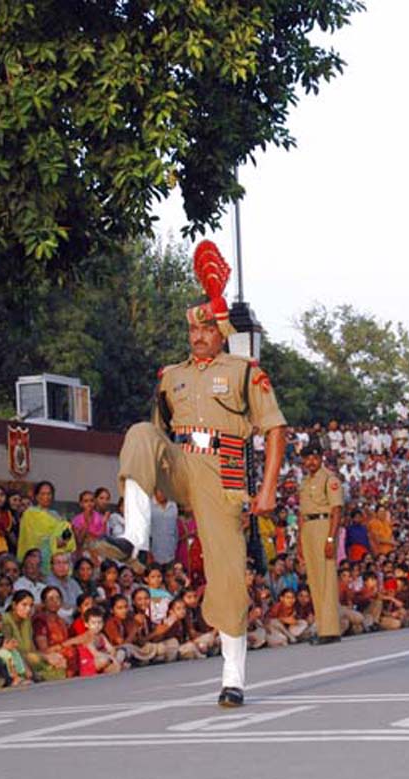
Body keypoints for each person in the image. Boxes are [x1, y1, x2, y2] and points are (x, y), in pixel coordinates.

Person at [117, 240, 286, 708]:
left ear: (222, 331)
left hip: (223, 474)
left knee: (227, 576)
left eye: (207, 328)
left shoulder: (245, 372)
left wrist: (268, 489)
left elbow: (275, 429)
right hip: (181, 461)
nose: (198, 336)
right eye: (193, 329)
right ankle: (134, 536)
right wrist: (155, 483)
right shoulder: (170, 375)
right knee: (139, 433)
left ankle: (233, 677)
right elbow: (157, 433)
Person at [298, 439, 344, 644]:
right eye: (307, 459)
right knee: (315, 580)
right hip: (308, 528)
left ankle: (331, 630)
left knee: (326, 579)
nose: (310, 462)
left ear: (321, 458)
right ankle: (322, 626)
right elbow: (301, 513)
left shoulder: (329, 479)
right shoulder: (305, 481)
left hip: (324, 526)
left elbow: (336, 510)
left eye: (314, 458)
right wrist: (300, 541)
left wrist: (331, 538)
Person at [17, 481, 75, 570]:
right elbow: (29, 538)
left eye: (49, 494)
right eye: (43, 494)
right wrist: (52, 541)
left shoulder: (55, 514)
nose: (46, 497)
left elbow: (64, 532)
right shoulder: (30, 514)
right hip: (39, 558)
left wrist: (64, 540)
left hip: (56, 558)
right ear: (36, 496)